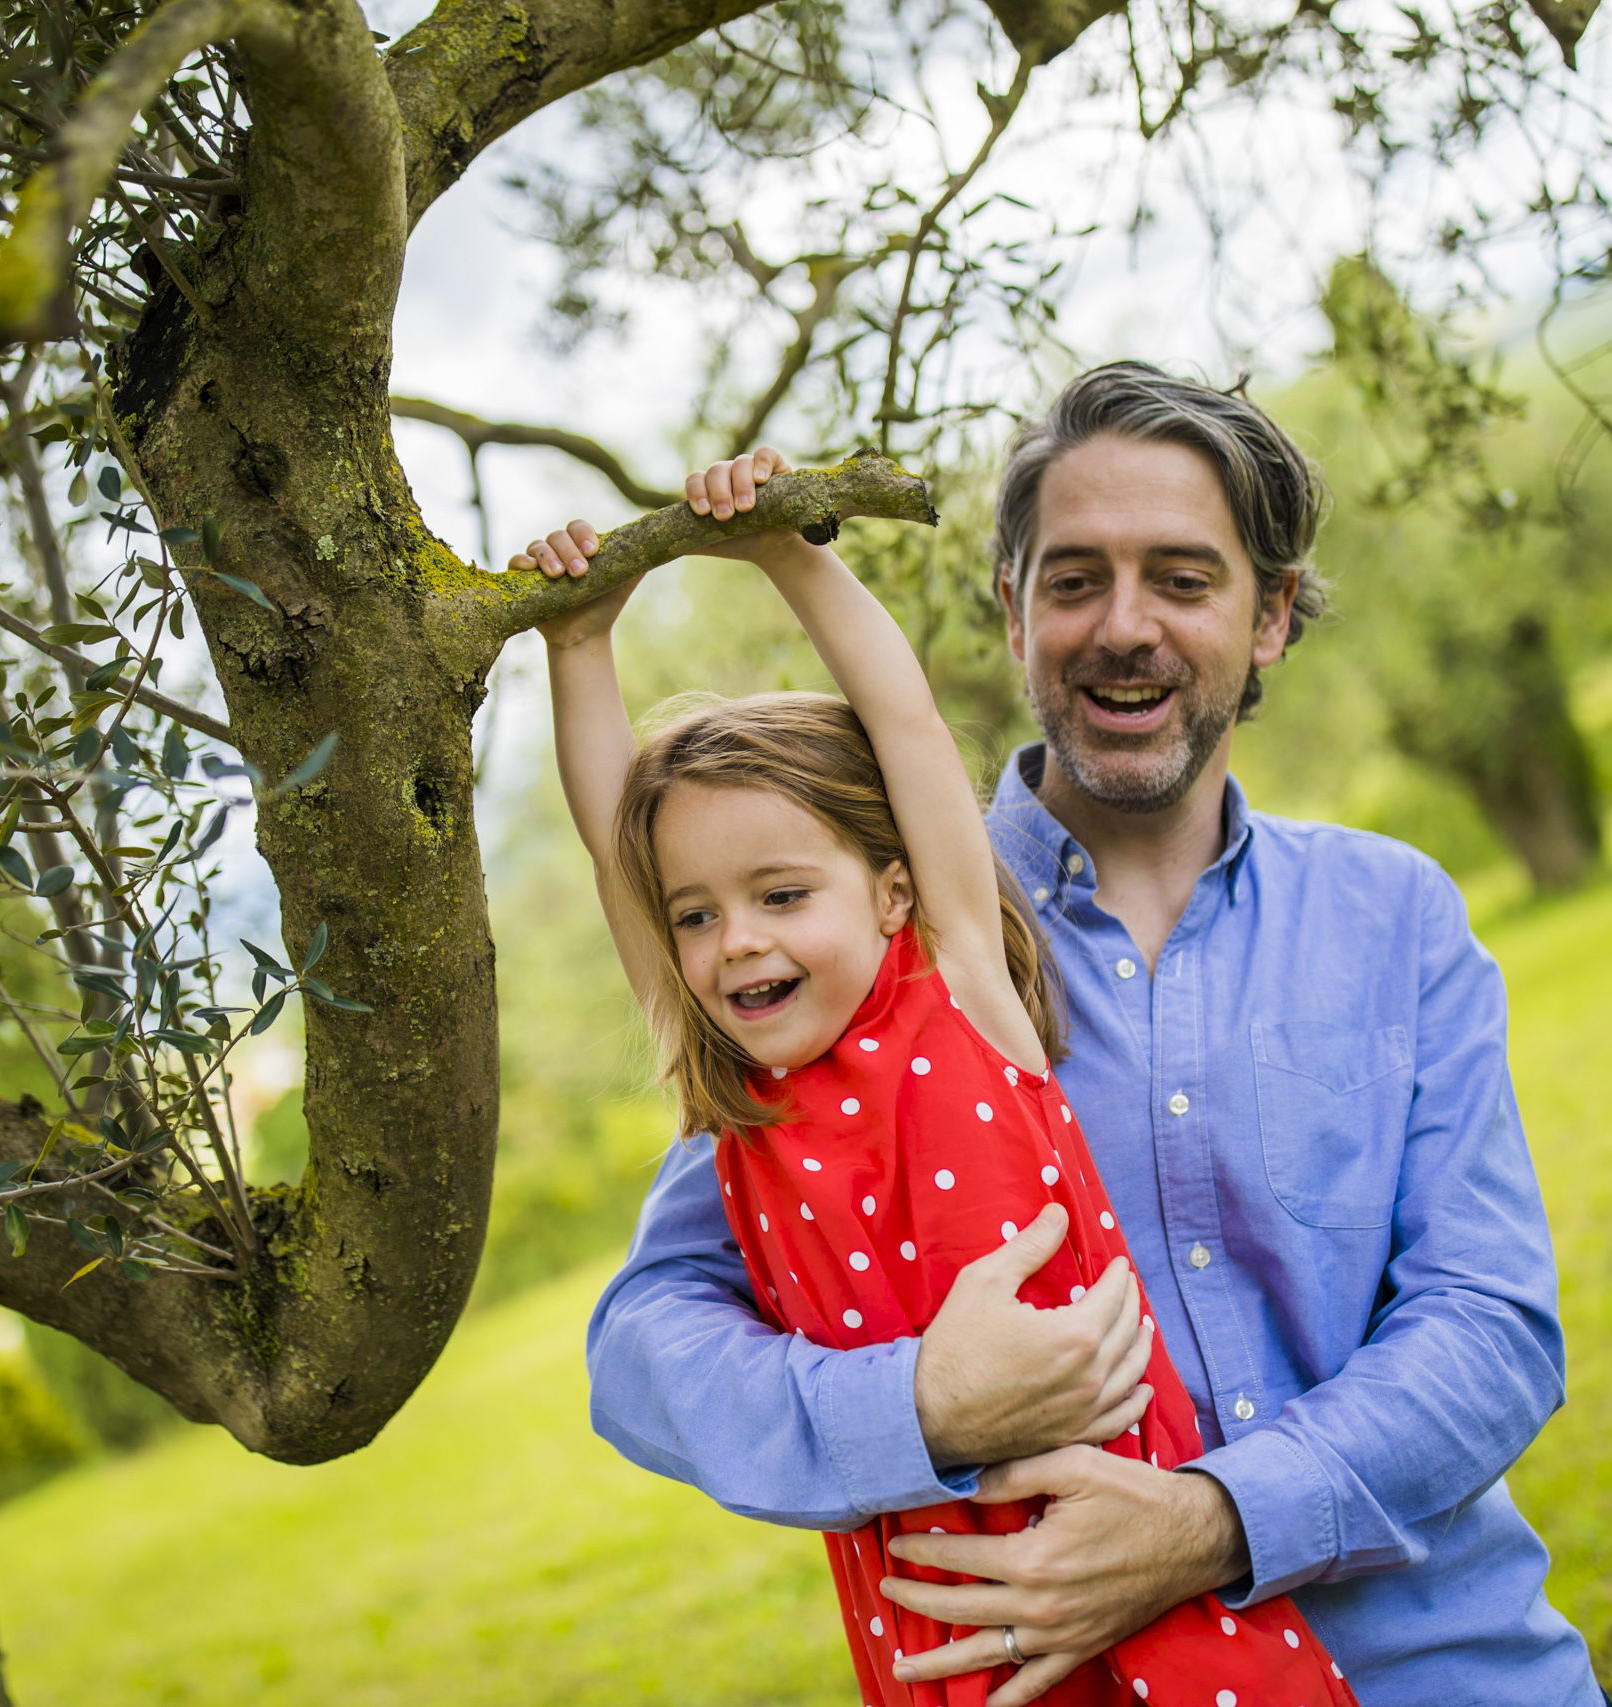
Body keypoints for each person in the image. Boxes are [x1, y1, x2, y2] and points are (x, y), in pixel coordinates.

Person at [572, 363, 1604, 1706]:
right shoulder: (869, 975)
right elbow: (646, 1346)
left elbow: (1492, 1328)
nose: (1126, 626)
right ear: (1011, 607)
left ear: (1272, 612)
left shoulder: (1393, 917)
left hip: (1449, 1670)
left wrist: (1211, 1522)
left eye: (1183, 577)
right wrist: (920, 1406)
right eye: (1073, 581)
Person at [517, 448, 1357, 1706]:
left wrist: (787, 553)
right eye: (695, 916)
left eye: (783, 894)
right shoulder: (732, 1094)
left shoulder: (960, 991)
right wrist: (577, 644)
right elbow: (612, 847)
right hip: (940, 1605)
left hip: (1125, 1541)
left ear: (895, 886)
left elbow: (905, 723)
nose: (735, 939)